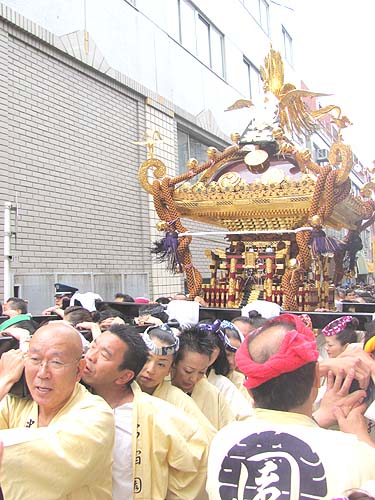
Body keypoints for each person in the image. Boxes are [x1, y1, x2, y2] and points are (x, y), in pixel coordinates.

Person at [206, 313, 375, 500]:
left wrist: (319, 418)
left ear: (251, 391)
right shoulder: (356, 454)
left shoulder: (223, 440)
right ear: (317, 381)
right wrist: (360, 435)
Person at [82, 323, 209, 500]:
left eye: (104, 355)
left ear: (125, 376)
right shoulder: (72, 400)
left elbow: (199, 456)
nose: (90, 357)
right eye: (92, 347)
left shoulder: (159, 413)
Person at [0, 322, 114, 499]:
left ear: (79, 370)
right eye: (35, 359)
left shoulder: (96, 415)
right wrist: (5, 380)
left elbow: (41, 460)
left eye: (56, 362)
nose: (43, 373)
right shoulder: (15, 403)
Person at [137, 323, 216, 440]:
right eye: (146, 359)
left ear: (170, 369)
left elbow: (208, 438)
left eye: (161, 364)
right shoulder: (119, 387)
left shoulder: (179, 401)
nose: (150, 370)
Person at [171, 325, 234, 430]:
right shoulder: (158, 390)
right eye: (188, 371)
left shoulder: (212, 394)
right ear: (174, 363)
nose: (194, 379)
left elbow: (229, 431)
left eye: (201, 372)